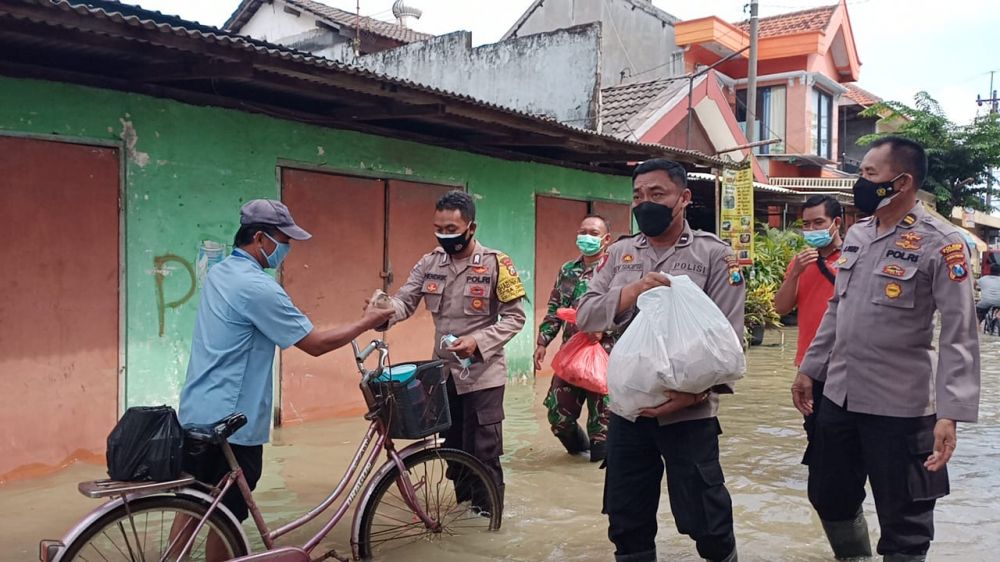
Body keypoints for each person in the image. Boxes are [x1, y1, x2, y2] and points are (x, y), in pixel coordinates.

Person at [792, 137, 981, 561]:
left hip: (901, 408)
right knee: (829, 496)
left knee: (906, 520)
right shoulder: (859, 234)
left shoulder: (942, 242)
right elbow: (836, 309)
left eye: (869, 175)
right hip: (839, 396)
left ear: (902, 182)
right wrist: (810, 368)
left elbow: (959, 332)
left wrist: (950, 413)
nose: (860, 183)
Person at [177, 200, 393, 556]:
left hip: (198, 407)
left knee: (195, 503)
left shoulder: (220, 273)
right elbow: (315, 344)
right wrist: (369, 321)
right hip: (233, 418)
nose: (287, 250)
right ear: (260, 238)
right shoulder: (258, 287)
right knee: (228, 514)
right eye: (283, 240)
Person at [577, 159, 744, 562]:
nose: (644, 203)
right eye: (638, 196)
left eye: (657, 194)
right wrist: (631, 291)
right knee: (626, 518)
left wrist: (693, 395)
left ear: (684, 198)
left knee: (707, 520)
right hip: (627, 412)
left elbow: (729, 341)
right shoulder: (618, 255)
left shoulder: (715, 256)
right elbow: (586, 314)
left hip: (689, 413)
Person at [384, 190, 526, 503]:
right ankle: (465, 514)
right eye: (439, 228)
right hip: (443, 374)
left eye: (451, 229)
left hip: (483, 376)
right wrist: (383, 312)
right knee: (453, 448)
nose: (444, 235)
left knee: (483, 452)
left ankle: (489, 518)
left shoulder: (496, 264)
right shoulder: (430, 262)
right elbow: (404, 301)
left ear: (471, 228)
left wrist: (478, 341)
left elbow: (515, 318)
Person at [534, 214, 616, 462]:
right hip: (572, 353)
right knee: (558, 415)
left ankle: (597, 470)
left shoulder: (615, 271)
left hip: (606, 355)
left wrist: (605, 329)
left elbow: (629, 311)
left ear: (606, 239)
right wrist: (542, 342)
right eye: (583, 232)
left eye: (593, 233)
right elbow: (555, 307)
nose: (587, 237)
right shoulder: (568, 270)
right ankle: (578, 457)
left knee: (603, 426)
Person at [773, 195, 843, 464]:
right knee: (815, 432)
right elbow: (780, 309)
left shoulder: (854, 258)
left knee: (841, 438)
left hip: (846, 363)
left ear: (835, 223)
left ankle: (844, 499)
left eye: (818, 223)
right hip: (809, 366)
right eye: (807, 224)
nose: (812, 230)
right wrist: (794, 274)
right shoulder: (799, 262)